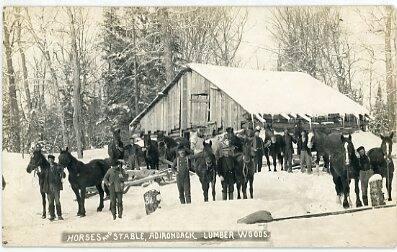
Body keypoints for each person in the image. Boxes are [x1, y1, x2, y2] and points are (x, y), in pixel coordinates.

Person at [46, 155, 66, 221]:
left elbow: (64, 175)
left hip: (56, 187)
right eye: (49, 159)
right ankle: (52, 215)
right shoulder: (46, 167)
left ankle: (59, 215)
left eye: (51, 159)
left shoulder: (58, 166)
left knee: (57, 201)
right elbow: (43, 176)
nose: (50, 160)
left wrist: (62, 172)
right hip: (49, 188)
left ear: (53, 160)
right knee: (50, 202)